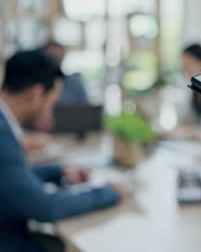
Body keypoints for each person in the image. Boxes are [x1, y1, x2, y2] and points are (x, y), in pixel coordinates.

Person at [0, 50, 126, 252]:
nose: (52, 111)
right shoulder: (2, 133)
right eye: (52, 102)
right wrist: (109, 192)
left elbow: (9, 177)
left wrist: (58, 172)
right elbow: (45, 207)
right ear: (35, 94)